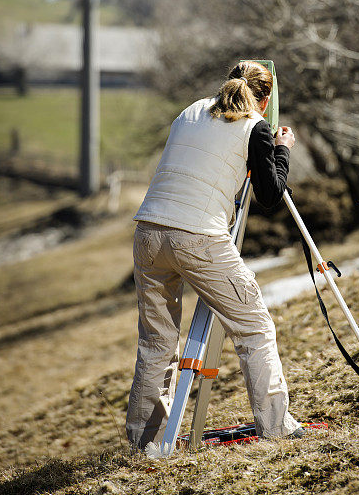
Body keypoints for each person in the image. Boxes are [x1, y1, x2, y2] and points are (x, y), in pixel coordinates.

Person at [126, 60, 302, 450]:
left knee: (157, 341)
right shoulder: (254, 127)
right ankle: (277, 427)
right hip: (199, 238)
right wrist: (281, 149)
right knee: (254, 326)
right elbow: (271, 195)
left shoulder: (189, 111)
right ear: (267, 98)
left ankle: (146, 445)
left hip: (148, 232)